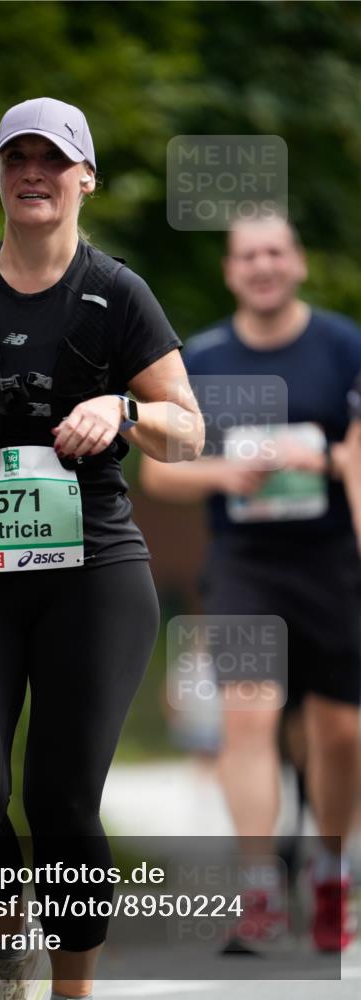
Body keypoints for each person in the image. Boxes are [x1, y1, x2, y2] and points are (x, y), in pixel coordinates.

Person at [0, 97, 203, 1000]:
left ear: (83, 177)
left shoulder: (117, 293)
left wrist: (124, 409)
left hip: (90, 575)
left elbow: (188, 432)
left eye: (51, 160)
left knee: (59, 804)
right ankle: (5, 946)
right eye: (15, 158)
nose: (32, 173)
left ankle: (72, 988)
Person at [141, 214, 361, 952]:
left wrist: (320, 462)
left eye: (274, 252)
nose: (261, 266)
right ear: (230, 271)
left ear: (297, 262)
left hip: (332, 560)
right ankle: (260, 886)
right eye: (246, 256)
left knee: (339, 733)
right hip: (244, 563)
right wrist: (224, 471)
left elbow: (357, 457)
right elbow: (158, 471)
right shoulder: (199, 359)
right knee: (246, 715)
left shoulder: (344, 347)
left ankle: (330, 873)